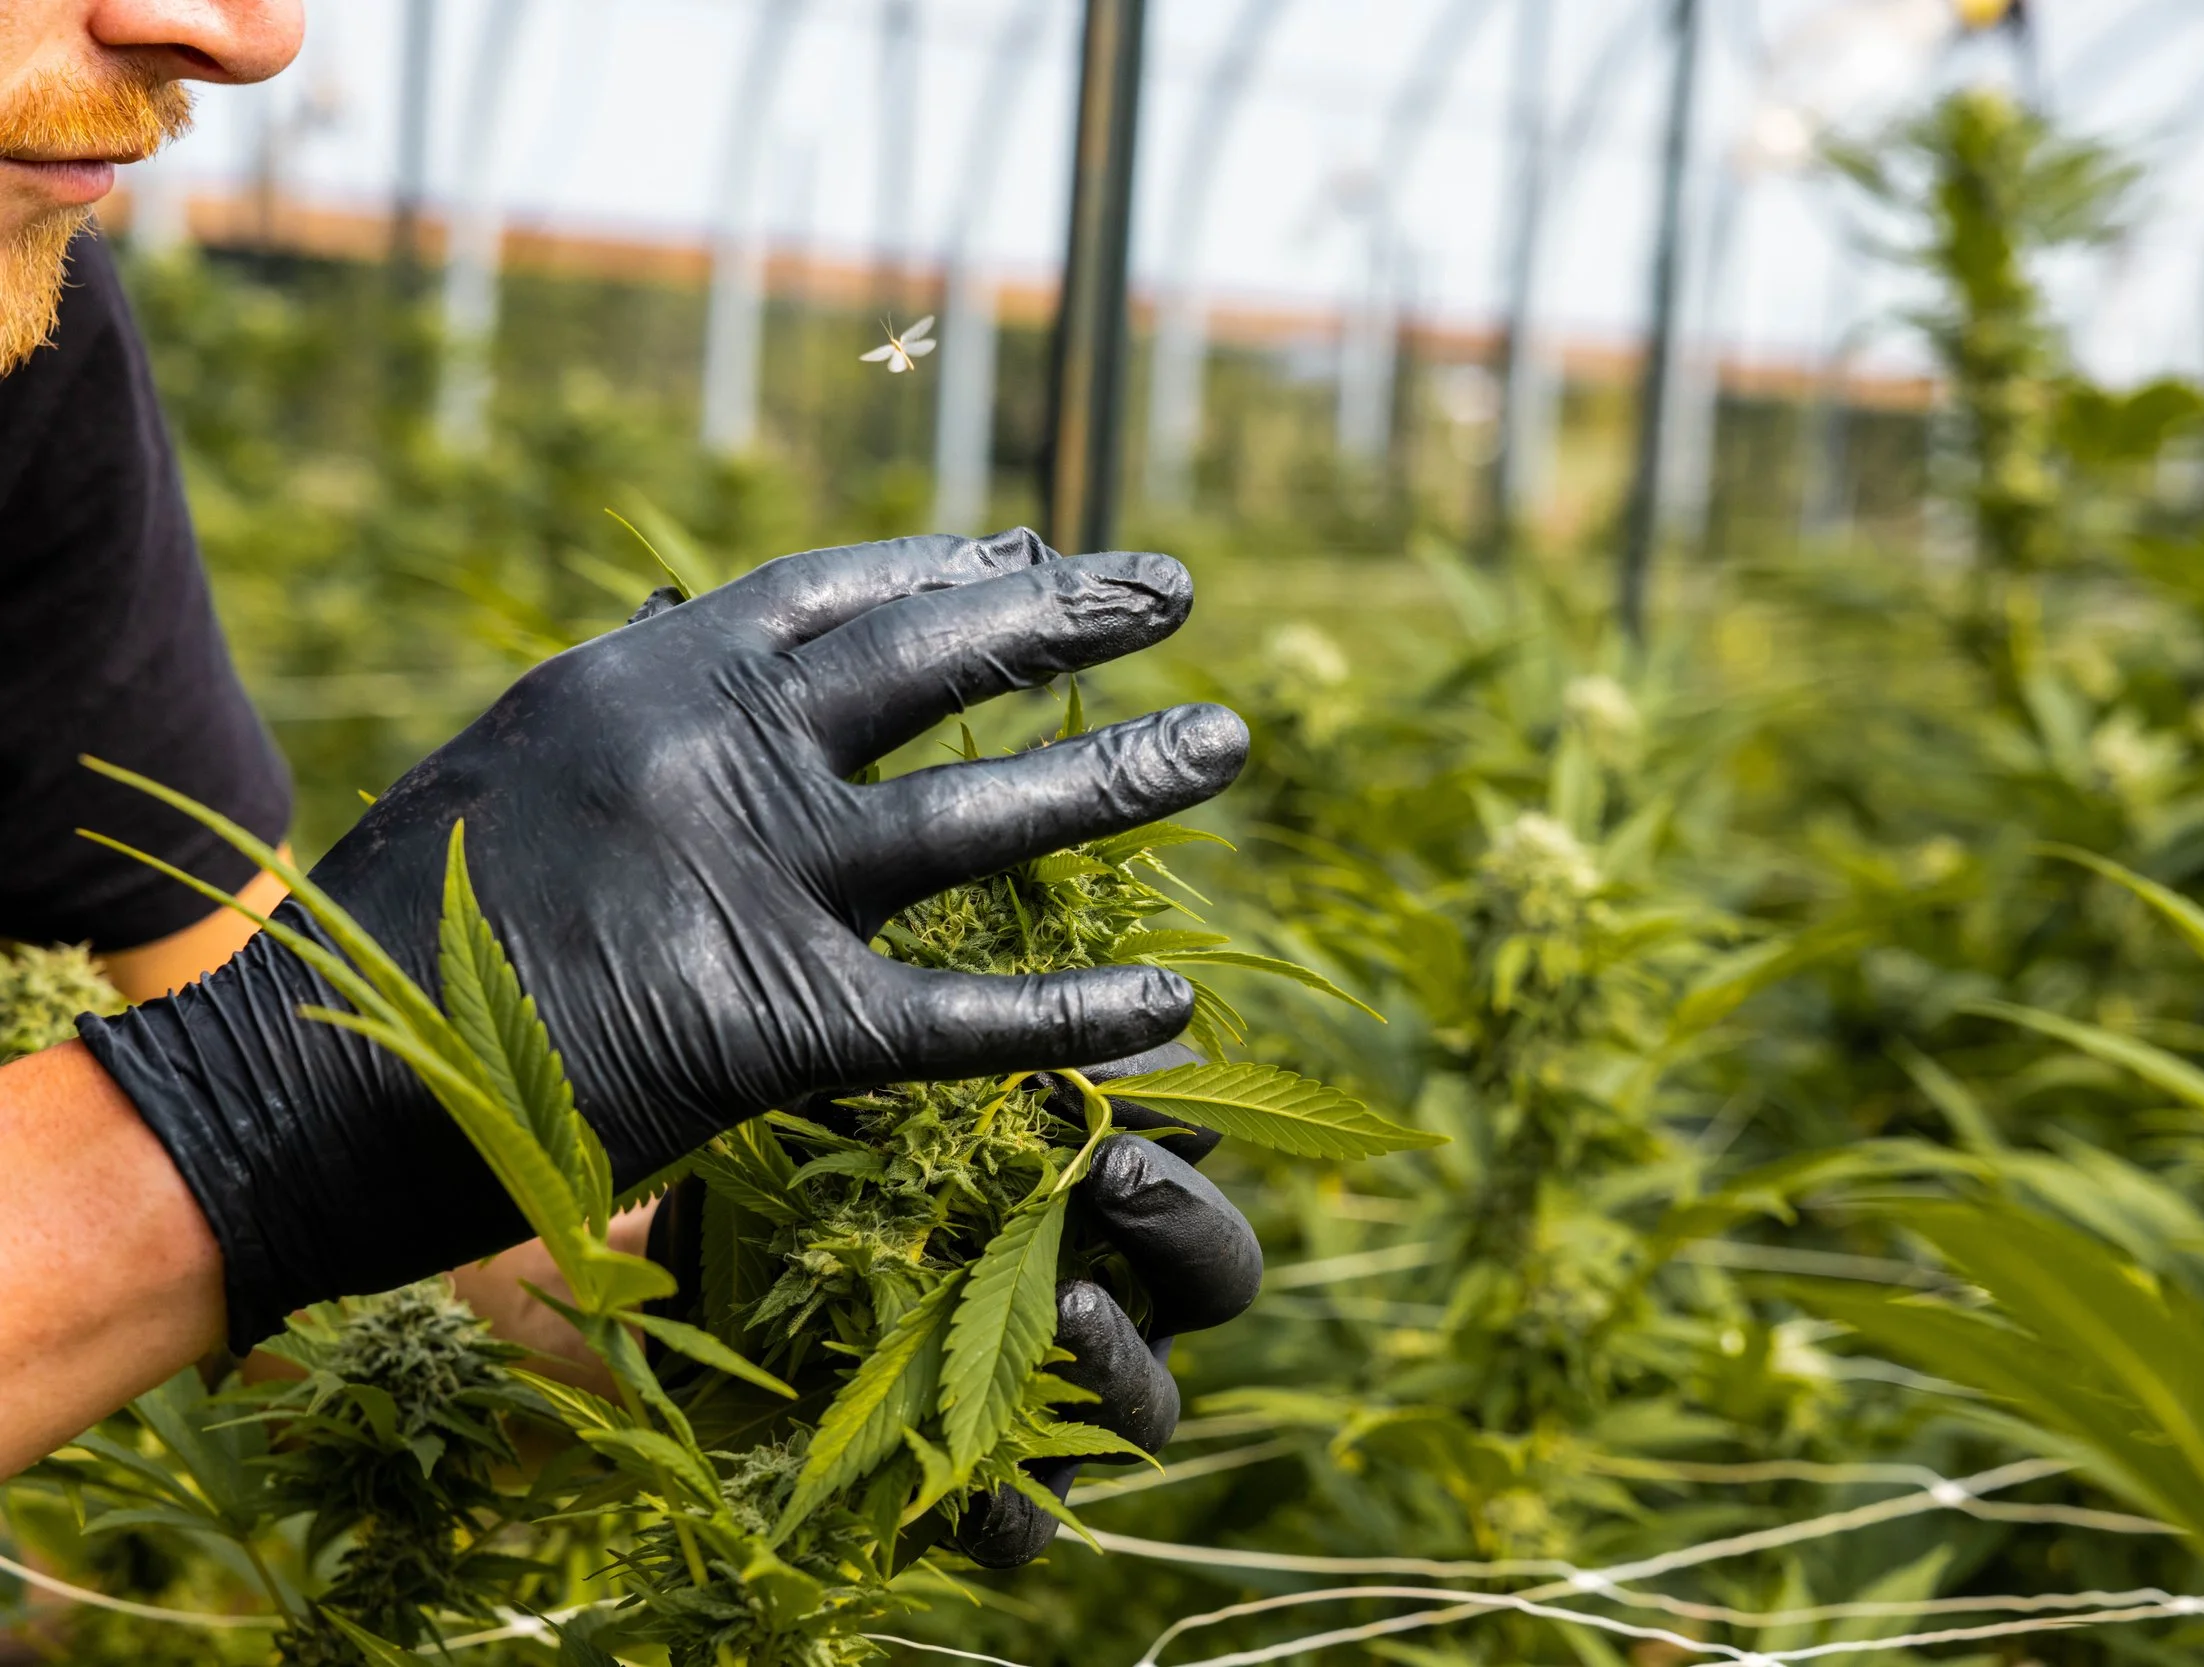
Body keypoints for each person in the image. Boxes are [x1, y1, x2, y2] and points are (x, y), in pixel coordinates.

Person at [0, 0, 1261, 1568]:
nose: (245, 34)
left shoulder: (24, 344)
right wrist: (235, 1124)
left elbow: (251, 1250)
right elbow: (188, 1163)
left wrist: (683, 1313)